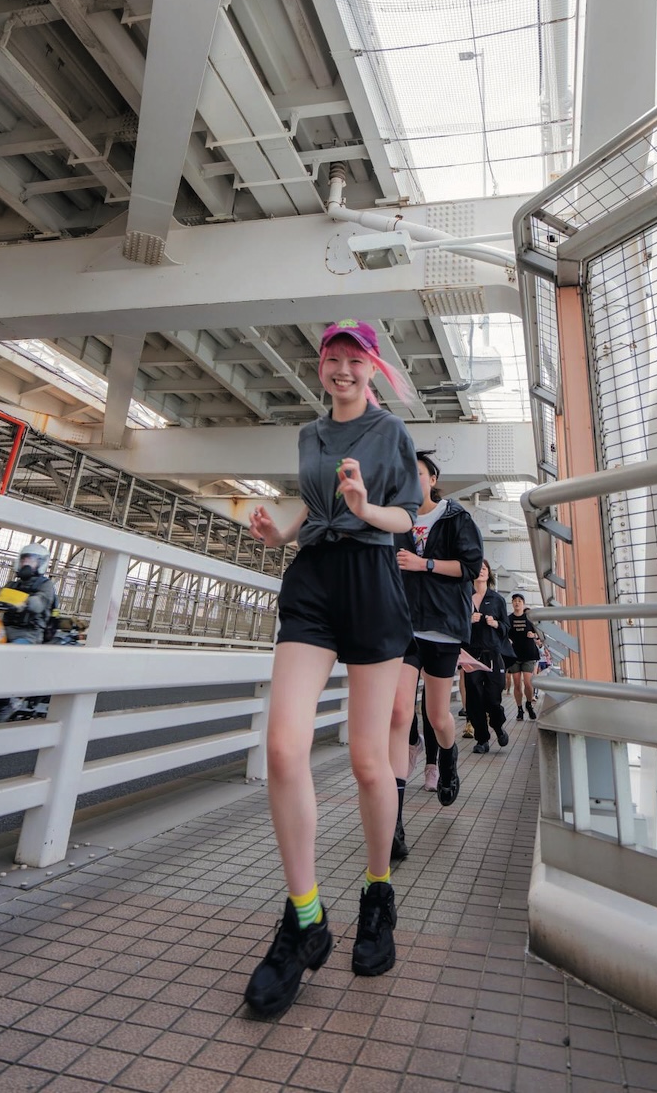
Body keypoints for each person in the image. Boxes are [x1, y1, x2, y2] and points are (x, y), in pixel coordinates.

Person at [243, 321, 420, 1018]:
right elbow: (314, 509)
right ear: (320, 366)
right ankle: (304, 917)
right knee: (283, 747)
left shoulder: (390, 432)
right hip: (313, 581)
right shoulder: (310, 435)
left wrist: (364, 508)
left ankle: (377, 893)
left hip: (372, 579)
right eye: (332, 359)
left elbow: (405, 519)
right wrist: (281, 533)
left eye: (354, 360)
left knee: (368, 761)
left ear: (372, 369)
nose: (342, 370)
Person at [389, 452, 484, 858]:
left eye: (418, 474)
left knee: (437, 716)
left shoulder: (455, 517)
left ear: (432, 479)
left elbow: (470, 566)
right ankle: (392, 821)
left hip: (442, 628)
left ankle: (447, 755)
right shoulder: (396, 522)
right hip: (403, 627)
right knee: (398, 713)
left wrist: (423, 563)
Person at [464, 560, 510, 753]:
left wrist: (496, 624)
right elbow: (454, 622)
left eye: (484, 568)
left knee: (492, 697)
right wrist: (468, 620)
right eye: (478, 568)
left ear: (489, 573)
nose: (481, 571)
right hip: (471, 654)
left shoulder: (497, 599)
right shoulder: (464, 597)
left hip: (492, 653)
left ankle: (498, 726)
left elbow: (506, 627)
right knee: (474, 699)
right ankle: (482, 739)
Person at [0, 544, 58, 644]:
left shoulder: (45, 584)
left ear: (41, 563)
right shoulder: (13, 584)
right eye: (23, 560)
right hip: (3, 630)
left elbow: (39, 603)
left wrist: (25, 602)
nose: (25, 563)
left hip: (29, 634)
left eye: (30, 560)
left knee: (11, 651)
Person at [507, 592, 541, 721]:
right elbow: (503, 634)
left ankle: (529, 704)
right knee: (516, 684)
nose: (517, 603)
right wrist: (507, 640)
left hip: (528, 654)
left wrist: (534, 635)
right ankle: (519, 709)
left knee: (528, 682)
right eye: (515, 601)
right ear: (512, 603)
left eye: (519, 601)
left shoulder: (529, 618)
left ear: (523, 603)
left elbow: (540, 634)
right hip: (514, 655)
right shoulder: (508, 619)